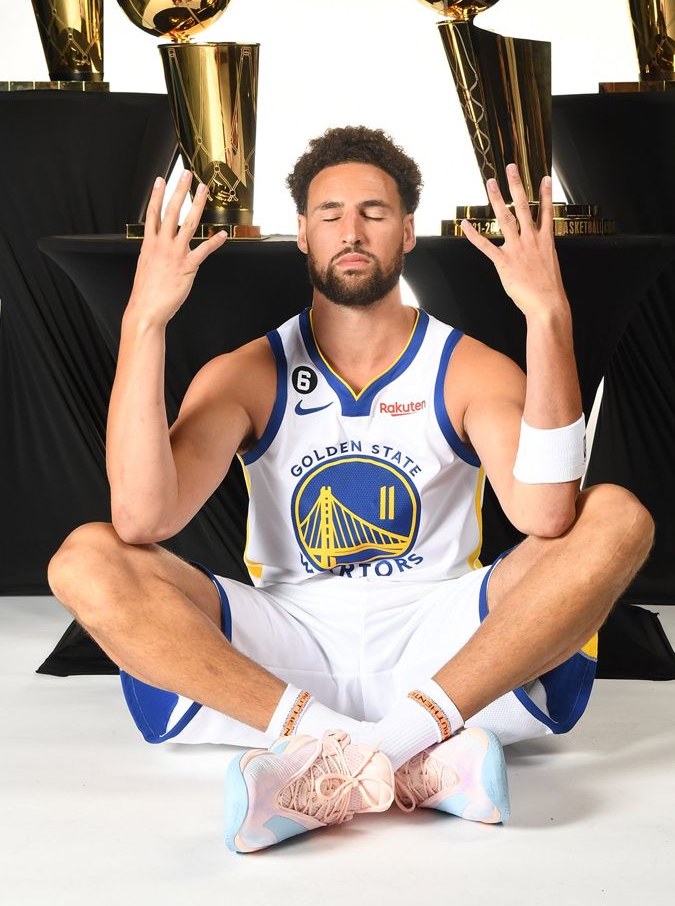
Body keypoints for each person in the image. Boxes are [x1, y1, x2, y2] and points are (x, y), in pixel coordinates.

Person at [48, 126, 653, 854]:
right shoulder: (247, 372)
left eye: (375, 211)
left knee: (614, 514)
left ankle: (342, 764)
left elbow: (546, 513)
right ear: (302, 233)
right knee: (85, 557)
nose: (351, 229)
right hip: (287, 641)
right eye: (329, 213)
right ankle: (398, 757)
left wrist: (546, 314)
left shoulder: (465, 368)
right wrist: (145, 320)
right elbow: (142, 517)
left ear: (407, 233)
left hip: (443, 635)